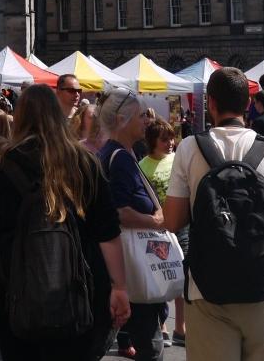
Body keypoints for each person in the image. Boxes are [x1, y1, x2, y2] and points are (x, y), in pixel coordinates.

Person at [0, 84, 131, 361]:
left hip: (13, 296)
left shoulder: (0, 167)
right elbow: (108, 232)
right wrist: (119, 286)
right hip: (79, 295)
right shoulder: (85, 163)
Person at [163, 66, 264, 361]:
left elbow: (173, 221)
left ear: (211, 103)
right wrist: (263, 232)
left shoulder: (189, 148)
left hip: (207, 288)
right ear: (248, 103)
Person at [99, 89, 169, 361]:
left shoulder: (118, 153)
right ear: (121, 119)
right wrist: (156, 220)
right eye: (141, 116)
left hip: (129, 261)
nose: (147, 121)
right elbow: (120, 212)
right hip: (133, 263)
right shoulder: (120, 158)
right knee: (150, 346)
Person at [139, 118, 186, 347]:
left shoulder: (177, 160)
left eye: (171, 138)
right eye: (164, 139)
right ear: (152, 141)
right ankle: (162, 324)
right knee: (160, 276)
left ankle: (181, 328)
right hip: (157, 230)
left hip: (181, 226)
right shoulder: (142, 166)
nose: (170, 143)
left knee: (182, 275)